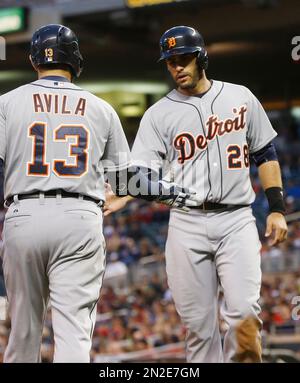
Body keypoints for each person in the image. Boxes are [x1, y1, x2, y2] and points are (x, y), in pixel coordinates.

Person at [0, 24, 200, 363]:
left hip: (24, 215)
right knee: (74, 333)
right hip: (79, 219)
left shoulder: (6, 103)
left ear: (35, 60)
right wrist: (178, 193)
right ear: (75, 59)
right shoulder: (100, 108)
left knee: (22, 331)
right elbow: (127, 182)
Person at [104, 25, 288, 362]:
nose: (176, 67)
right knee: (198, 328)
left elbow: (265, 154)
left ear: (201, 56)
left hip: (235, 219)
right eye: (170, 61)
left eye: (183, 59)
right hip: (187, 223)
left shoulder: (240, 96)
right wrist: (125, 193)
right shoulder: (158, 114)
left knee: (244, 313)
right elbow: (141, 170)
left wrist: (276, 207)